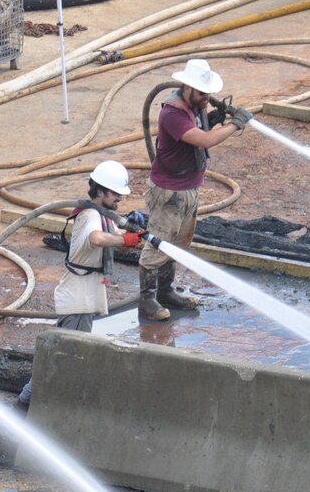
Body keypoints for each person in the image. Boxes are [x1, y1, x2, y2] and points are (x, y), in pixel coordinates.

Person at [17, 160, 152, 409]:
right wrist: (126, 240)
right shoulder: (90, 215)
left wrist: (133, 224)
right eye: (116, 194)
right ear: (100, 191)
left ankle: (35, 401)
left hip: (82, 294)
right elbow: (96, 238)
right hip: (78, 299)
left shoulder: (100, 212)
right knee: (62, 357)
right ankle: (25, 404)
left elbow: (111, 224)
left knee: (65, 353)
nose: (120, 199)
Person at [139, 58, 252, 321]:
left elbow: (201, 131)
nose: (207, 98)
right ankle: (147, 301)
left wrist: (212, 118)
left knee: (177, 245)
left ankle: (165, 292)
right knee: (158, 245)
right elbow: (203, 139)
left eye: (208, 93)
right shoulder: (173, 113)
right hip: (169, 192)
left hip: (189, 188)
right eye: (202, 93)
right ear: (187, 88)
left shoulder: (194, 106)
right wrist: (234, 124)